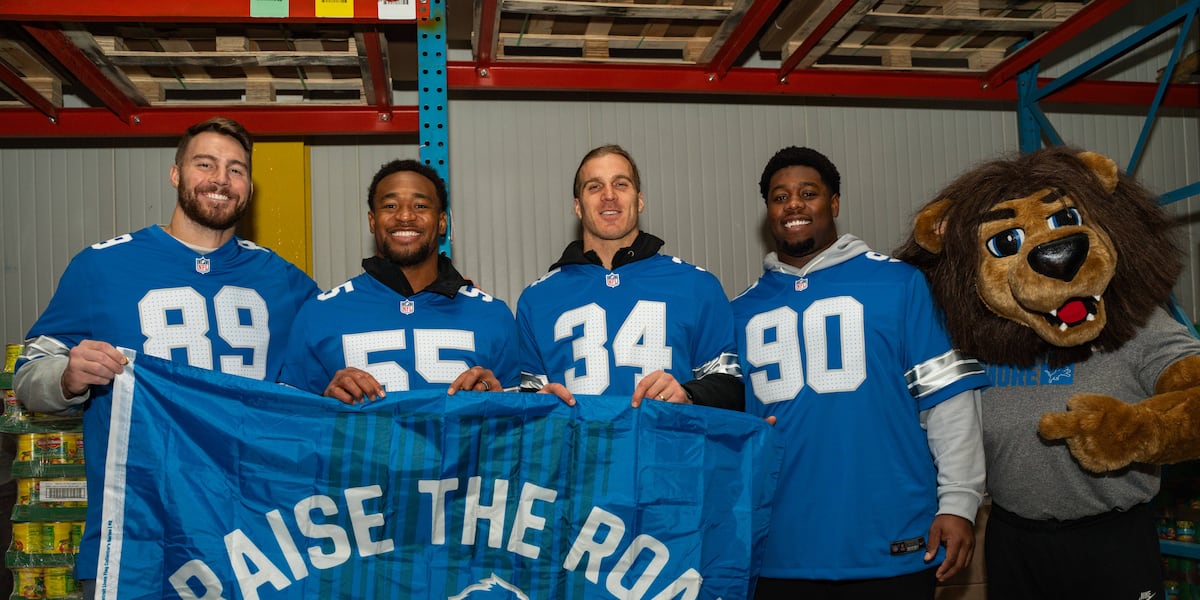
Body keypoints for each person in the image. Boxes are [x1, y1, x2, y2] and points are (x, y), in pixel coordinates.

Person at [13, 117, 318, 600]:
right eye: (205, 164)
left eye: (236, 169)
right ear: (176, 174)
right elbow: (28, 375)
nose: (221, 179)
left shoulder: (287, 282)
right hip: (138, 535)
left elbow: (319, 392)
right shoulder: (102, 266)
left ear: (249, 186)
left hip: (257, 539)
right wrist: (66, 377)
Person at [732, 146, 988, 599]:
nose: (793, 205)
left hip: (892, 537)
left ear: (833, 204)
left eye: (808, 193)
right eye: (779, 197)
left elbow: (948, 399)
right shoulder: (740, 310)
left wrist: (959, 502)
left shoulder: (900, 283)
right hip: (779, 549)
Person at [516, 144, 742, 408]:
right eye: (594, 187)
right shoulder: (537, 299)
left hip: (667, 436)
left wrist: (688, 395)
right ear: (578, 206)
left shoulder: (697, 286)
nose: (609, 195)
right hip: (579, 438)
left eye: (620, 184)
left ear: (640, 200)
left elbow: (732, 389)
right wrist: (538, 408)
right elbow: (525, 403)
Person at [279, 159, 518, 400]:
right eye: (390, 206)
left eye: (420, 205)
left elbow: (522, 417)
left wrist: (499, 402)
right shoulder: (318, 314)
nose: (405, 216)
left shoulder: (493, 315)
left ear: (442, 222)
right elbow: (292, 416)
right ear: (372, 221)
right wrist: (326, 403)